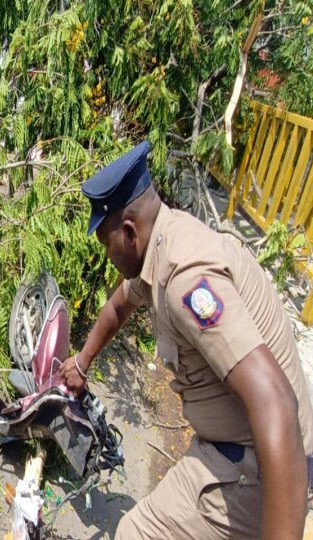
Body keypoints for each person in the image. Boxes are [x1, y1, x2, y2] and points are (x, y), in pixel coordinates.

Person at [60, 140, 313, 539]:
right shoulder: (162, 239)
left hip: (262, 469)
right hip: (236, 450)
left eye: (105, 246)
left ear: (128, 232)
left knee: (133, 534)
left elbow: (276, 402)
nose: (106, 257)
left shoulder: (184, 280)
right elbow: (117, 308)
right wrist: (81, 362)